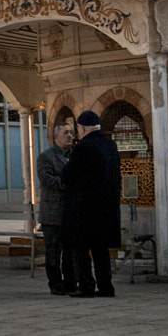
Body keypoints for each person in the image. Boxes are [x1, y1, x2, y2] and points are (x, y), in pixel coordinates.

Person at [63, 109, 122, 297]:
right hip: (107, 207)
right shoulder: (110, 145)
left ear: (82, 128)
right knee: (100, 249)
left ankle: (86, 286)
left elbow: (69, 174)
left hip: (85, 208)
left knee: (81, 248)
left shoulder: (84, 147)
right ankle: (106, 287)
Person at [36, 121, 76, 294]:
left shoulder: (73, 156)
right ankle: (55, 283)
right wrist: (70, 183)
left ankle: (70, 282)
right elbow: (47, 180)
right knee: (53, 252)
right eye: (66, 132)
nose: (70, 136)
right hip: (53, 214)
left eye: (72, 133)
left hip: (70, 213)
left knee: (70, 251)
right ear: (56, 136)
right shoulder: (47, 157)